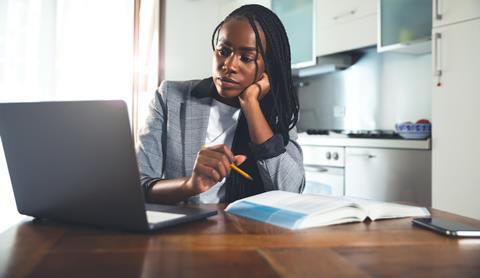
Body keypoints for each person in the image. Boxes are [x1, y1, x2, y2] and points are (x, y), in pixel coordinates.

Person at [136, 4, 305, 204]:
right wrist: (190, 185)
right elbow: (138, 185)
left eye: (246, 58)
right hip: (184, 232)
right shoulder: (170, 97)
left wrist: (251, 105)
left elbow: (291, 191)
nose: (229, 65)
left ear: (268, 66)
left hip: (246, 232)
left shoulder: (278, 111)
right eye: (224, 51)